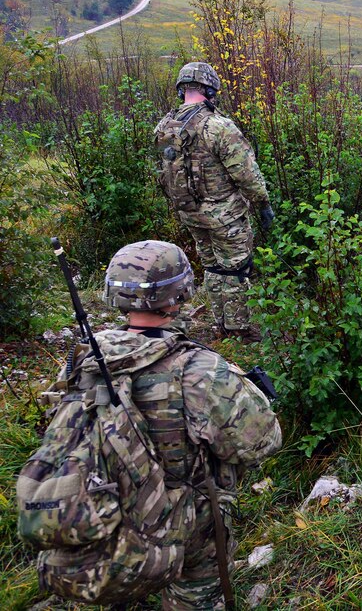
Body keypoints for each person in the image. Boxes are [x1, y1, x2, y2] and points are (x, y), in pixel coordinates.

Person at [79, 240, 279, 608]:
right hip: (186, 524)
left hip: (106, 512)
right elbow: (261, 441)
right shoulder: (197, 369)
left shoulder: (87, 360)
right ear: (180, 292)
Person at [154, 62, 273, 338]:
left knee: (211, 266)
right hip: (224, 215)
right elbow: (246, 173)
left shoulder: (165, 127)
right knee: (235, 268)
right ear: (210, 89)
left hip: (189, 213)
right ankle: (238, 329)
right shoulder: (219, 126)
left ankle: (221, 324)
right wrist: (262, 204)